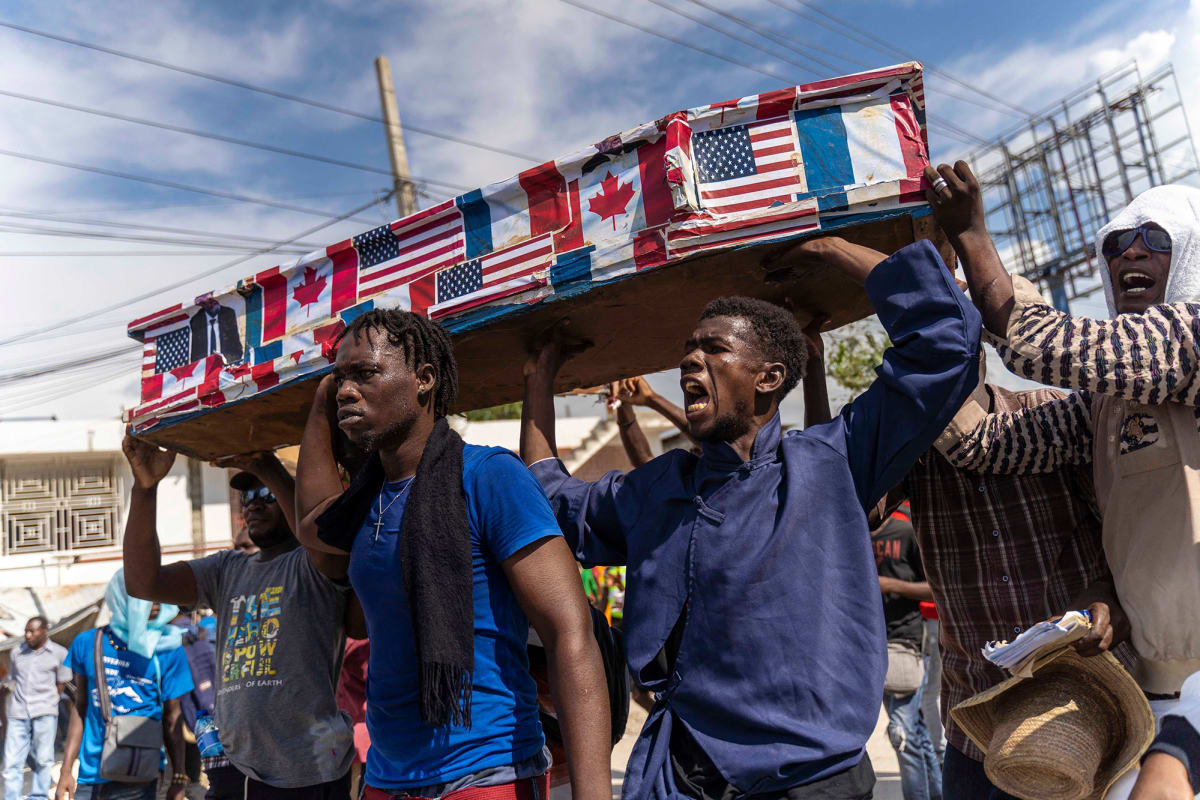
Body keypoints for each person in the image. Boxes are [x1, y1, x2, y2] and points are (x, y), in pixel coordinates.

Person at [520, 235, 982, 799]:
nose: (690, 359)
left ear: (767, 377)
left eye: (714, 349)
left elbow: (946, 342)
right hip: (683, 775)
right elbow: (554, 501)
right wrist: (538, 380)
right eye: (689, 348)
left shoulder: (831, 463)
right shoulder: (660, 488)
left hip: (812, 778)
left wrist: (831, 247)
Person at [924, 164, 1200, 797]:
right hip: (1151, 694)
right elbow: (987, 446)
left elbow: (1034, 342)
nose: (1129, 251)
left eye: (1156, 238)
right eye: (1115, 243)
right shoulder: (1100, 405)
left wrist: (970, 234)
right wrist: (922, 345)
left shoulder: (1194, 339)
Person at [291, 309, 611, 800]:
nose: (347, 391)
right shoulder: (364, 502)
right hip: (387, 776)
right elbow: (312, 516)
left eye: (366, 374)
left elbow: (570, 634)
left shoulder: (489, 476)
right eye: (341, 379)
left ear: (424, 380)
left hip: (486, 771)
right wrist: (319, 404)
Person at [800, 335, 1132, 799]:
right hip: (977, 708)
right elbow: (832, 489)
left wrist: (1105, 591)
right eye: (924, 357)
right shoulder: (911, 446)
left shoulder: (1047, 410)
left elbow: (1123, 529)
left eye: (950, 351)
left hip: (1074, 700)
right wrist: (813, 368)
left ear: (978, 354)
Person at [119, 442, 355, 800]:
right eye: (246, 497)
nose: (253, 503)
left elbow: (322, 541)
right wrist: (145, 488)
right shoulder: (227, 569)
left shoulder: (315, 565)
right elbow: (142, 582)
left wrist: (269, 467)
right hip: (234, 769)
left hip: (306, 771)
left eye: (264, 492)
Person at [56, 571, 193, 800]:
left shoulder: (168, 648)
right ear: (121, 598)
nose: (156, 601)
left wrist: (178, 778)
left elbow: (173, 718)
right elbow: (80, 706)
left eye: (158, 594)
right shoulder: (87, 642)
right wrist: (66, 771)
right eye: (146, 595)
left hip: (138, 774)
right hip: (90, 775)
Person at [872, 506, 941, 800]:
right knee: (916, 732)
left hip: (907, 642)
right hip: (872, 645)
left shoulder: (905, 532)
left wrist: (891, 586)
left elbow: (936, 588)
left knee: (902, 734)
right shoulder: (853, 535)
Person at [3, 617, 70, 800]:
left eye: (32, 631)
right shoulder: (17, 652)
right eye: (26, 631)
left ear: (45, 631)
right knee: (12, 762)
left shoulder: (59, 653)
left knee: (43, 759)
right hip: (18, 712)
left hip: (44, 711)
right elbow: (12, 680)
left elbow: (61, 683)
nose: (28, 635)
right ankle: (11, 797)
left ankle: (39, 796)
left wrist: (50, 702)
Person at [189, 297, 242, 365]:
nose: (213, 303)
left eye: (213, 300)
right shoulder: (196, 321)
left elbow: (236, 349)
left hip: (226, 363)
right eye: (208, 301)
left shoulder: (228, 314)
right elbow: (195, 354)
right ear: (203, 305)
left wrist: (226, 359)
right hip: (206, 369)